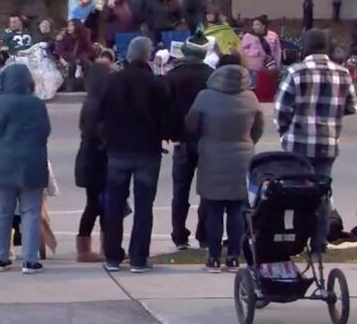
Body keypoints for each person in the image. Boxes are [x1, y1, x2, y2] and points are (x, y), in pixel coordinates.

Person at [275, 28, 357, 257]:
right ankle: (318, 244)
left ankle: (297, 241)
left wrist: (284, 132)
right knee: (322, 195)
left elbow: (281, 110)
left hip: (297, 144)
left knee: (296, 193)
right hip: (327, 144)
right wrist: (332, 114)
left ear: (305, 47)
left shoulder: (296, 72)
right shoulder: (343, 73)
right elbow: (353, 106)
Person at [100, 37, 172, 272]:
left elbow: (101, 112)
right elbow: (167, 117)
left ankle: (112, 256)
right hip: (147, 151)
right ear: (148, 56)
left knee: (114, 205)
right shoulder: (156, 83)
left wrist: (105, 137)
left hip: (118, 149)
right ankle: (139, 257)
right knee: (144, 207)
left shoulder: (113, 81)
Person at [184, 64, 264, 272]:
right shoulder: (251, 98)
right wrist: (247, 143)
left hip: (211, 155)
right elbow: (258, 128)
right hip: (242, 158)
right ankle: (234, 257)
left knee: (214, 209)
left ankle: (213, 257)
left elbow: (191, 125)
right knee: (237, 209)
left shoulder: (204, 97)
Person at [0, 63, 51, 274]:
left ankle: (0, 258)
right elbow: (45, 131)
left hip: (3, 164)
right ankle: (30, 260)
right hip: (32, 164)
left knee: (2, 212)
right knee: (31, 212)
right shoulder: (37, 104)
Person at [164, 35, 214, 251]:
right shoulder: (212, 76)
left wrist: (170, 132)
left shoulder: (172, 76)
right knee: (207, 190)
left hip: (182, 139)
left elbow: (166, 108)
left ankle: (179, 236)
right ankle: (204, 234)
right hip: (207, 138)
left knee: (180, 191)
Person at [74, 58, 112, 263]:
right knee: (97, 205)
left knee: (99, 204)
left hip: (90, 159)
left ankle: (100, 247)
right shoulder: (98, 104)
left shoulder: (91, 102)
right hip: (96, 160)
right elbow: (96, 133)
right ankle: (89, 249)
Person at [240, 15, 282, 92]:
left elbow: (277, 51)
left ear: (264, 26)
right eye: (254, 25)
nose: (255, 27)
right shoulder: (248, 36)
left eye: (257, 25)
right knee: (254, 89)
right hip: (253, 69)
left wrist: (278, 66)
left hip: (270, 68)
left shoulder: (273, 35)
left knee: (270, 89)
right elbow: (242, 51)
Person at [54, 19, 92, 92]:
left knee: (87, 63)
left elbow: (88, 50)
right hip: (66, 58)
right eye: (68, 25)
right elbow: (60, 51)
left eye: (71, 26)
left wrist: (81, 58)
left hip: (80, 57)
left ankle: (87, 85)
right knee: (72, 65)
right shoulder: (64, 36)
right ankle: (70, 86)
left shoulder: (83, 37)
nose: (69, 28)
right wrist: (72, 57)